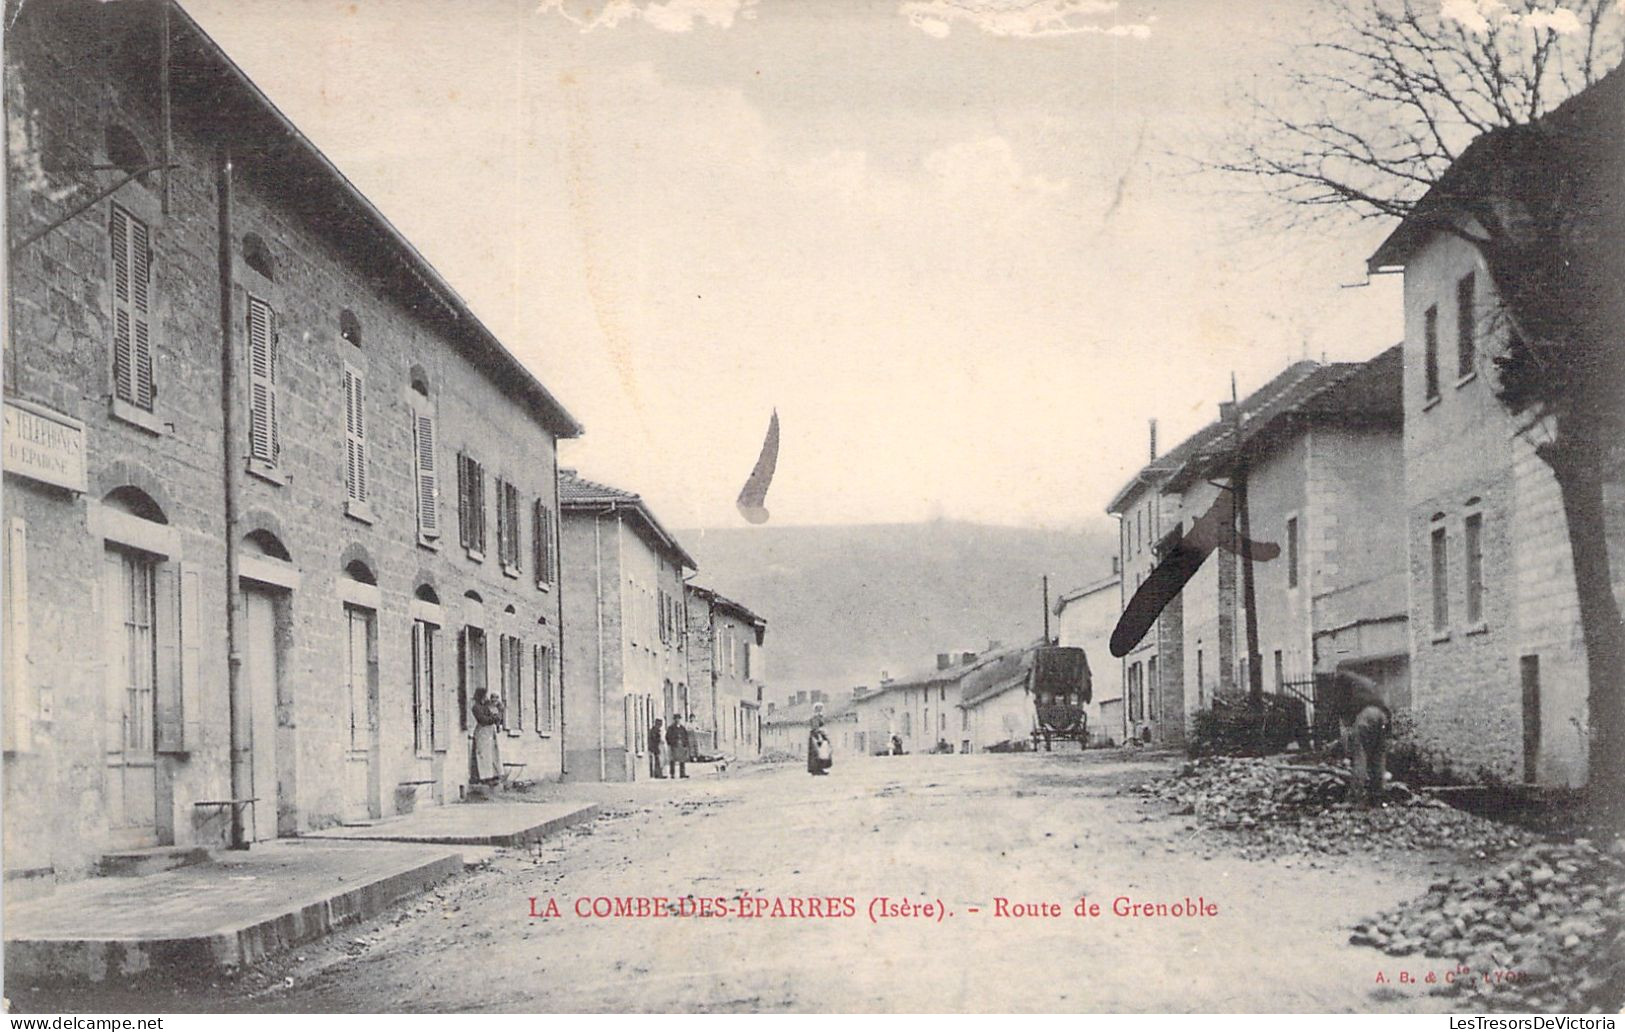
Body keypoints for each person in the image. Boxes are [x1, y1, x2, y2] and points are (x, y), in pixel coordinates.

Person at [1329, 668, 1391, 806]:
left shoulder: (1341, 682)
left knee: (1360, 756)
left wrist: (1343, 741)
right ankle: (1377, 797)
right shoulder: (1364, 683)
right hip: (1383, 715)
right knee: (1378, 757)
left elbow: (1341, 711)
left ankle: (1355, 799)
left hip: (1367, 716)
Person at [471, 688, 504, 786]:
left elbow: (496, 709)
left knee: (491, 753)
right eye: (484, 696)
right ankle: (484, 776)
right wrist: (494, 718)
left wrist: (499, 712)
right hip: (482, 731)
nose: (486, 698)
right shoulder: (476, 707)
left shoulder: (486, 706)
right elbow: (482, 719)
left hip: (489, 732)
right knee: (483, 754)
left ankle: (493, 774)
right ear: (480, 697)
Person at [666, 715, 690, 779]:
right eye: (676, 719)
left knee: (682, 759)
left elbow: (686, 736)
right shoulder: (671, 728)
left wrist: (685, 744)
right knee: (673, 759)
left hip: (681, 745)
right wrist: (671, 743)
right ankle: (672, 773)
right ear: (674, 720)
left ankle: (682, 773)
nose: (677, 720)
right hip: (674, 745)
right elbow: (668, 736)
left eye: (679, 719)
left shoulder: (682, 728)